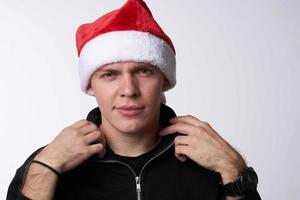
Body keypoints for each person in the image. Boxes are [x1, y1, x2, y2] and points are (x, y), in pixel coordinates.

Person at [7, 0, 261, 199]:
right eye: (109, 75)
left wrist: (232, 170)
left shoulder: (210, 160)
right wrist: (46, 167)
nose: (128, 89)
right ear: (90, 86)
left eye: (143, 71)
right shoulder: (46, 166)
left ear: (163, 79)